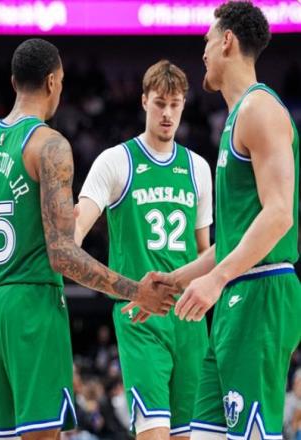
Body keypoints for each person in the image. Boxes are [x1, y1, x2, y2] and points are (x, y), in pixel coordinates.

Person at [0, 38, 177, 440]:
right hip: (32, 303)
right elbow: (63, 256)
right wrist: (135, 291)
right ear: (53, 82)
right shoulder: (49, 145)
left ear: (13, 82)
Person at [138, 2, 300, 439]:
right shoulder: (236, 117)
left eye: (207, 41)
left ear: (227, 41)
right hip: (236, 291)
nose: (204, 51)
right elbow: (231, 241)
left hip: (261, 290)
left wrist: (216, 279)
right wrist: (173, 281)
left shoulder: (259, 109)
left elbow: (280, 214)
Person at [74, 60, 213, 440]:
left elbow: (204, 250)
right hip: (140, 316)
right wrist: (68, 235)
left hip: (189, 317)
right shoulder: (116, 160)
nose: (167, 113)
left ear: (184, 105)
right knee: (153, 433)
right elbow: (77, 227)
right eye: (160, 103)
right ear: (144, 101)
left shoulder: (198, 168)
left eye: (175, 104)